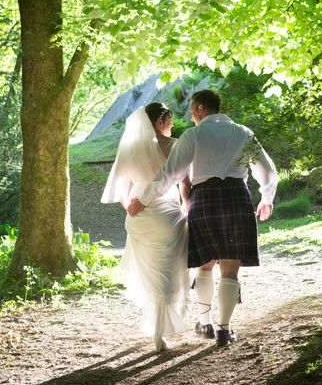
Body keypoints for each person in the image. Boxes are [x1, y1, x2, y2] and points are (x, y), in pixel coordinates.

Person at [127, 89, 278, 347]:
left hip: (204, 198)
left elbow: (170, 174)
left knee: (205, 263)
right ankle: (224, 330)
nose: (191, 117)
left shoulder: (193, 135)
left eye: (192, 112)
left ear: (199, 109)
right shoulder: (244, 133)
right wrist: (267, 198)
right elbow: (267, 170)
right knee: (230, 268)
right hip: (236, 197)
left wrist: (143, 199)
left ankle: (205, 322)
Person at [101, 103, 191, 353]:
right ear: (162, 121)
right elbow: (185, 184)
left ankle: (156, 327)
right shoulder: (175, 146)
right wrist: (186, 208)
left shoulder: (129, 149)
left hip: (139, 218)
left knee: (149, 272)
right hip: (167, 215)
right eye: (170, 119)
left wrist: (130, 207)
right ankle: (160, 331)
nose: (172, 124)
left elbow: (119, 190)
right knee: (168, 271)